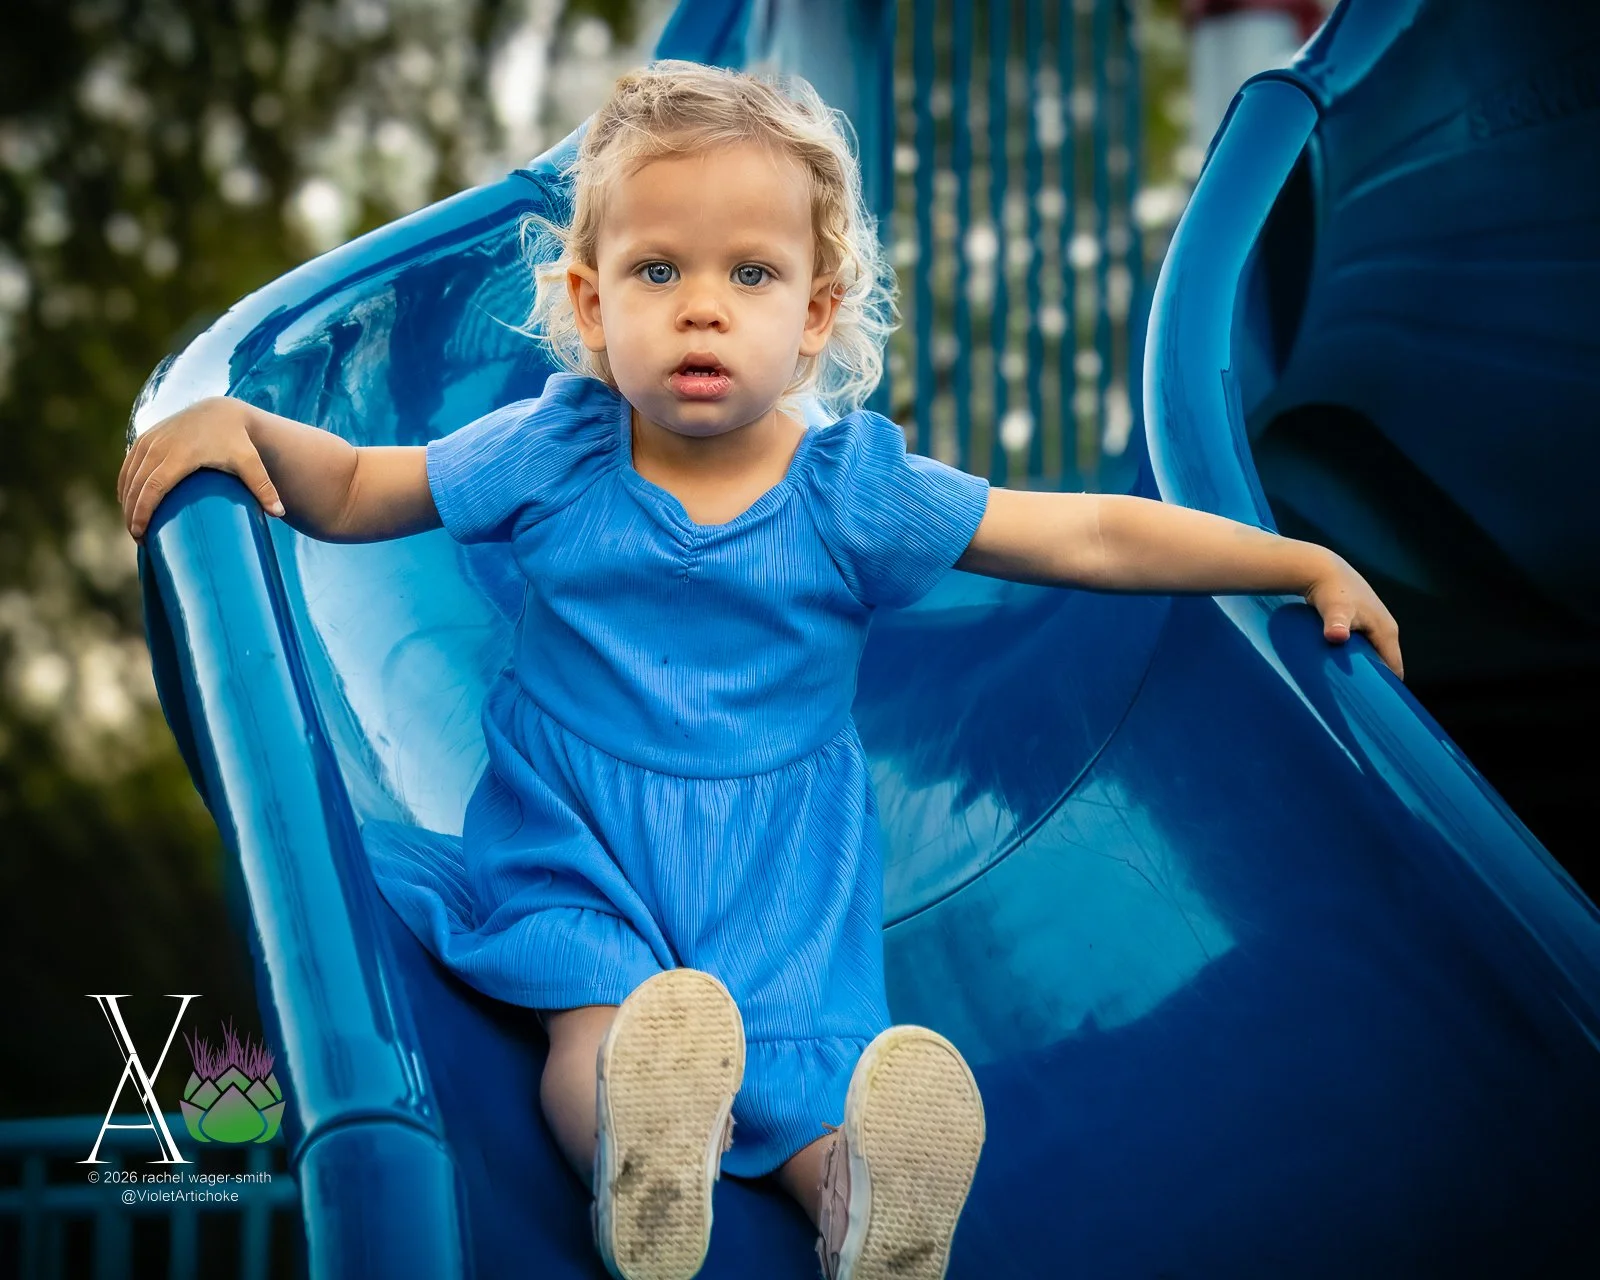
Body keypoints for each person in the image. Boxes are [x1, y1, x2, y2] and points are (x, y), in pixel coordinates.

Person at [117, 60, 1403, 1280]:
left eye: (750, 273)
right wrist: (241, 425)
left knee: (805, 1079)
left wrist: (1287, 561)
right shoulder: (554, 448)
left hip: (777, 864)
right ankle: (638, 1169)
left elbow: (1087, 533)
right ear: (591, 303)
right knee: (597, 1018)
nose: (703, 306)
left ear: (813, 316)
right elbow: (355, 486)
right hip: (575, 832)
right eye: (657, 269)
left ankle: (865, 1204)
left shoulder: (853, 490)